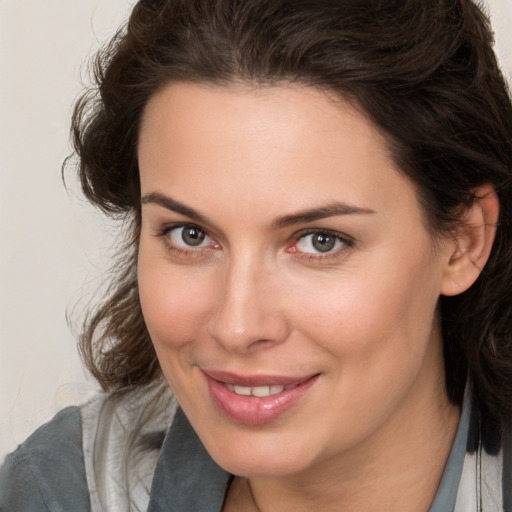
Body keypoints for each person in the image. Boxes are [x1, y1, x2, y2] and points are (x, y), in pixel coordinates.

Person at [1, 0, 512, 510]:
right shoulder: (61, 491)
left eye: (320, 241)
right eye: (190, 235)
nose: (237, 327)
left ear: (463, 241)